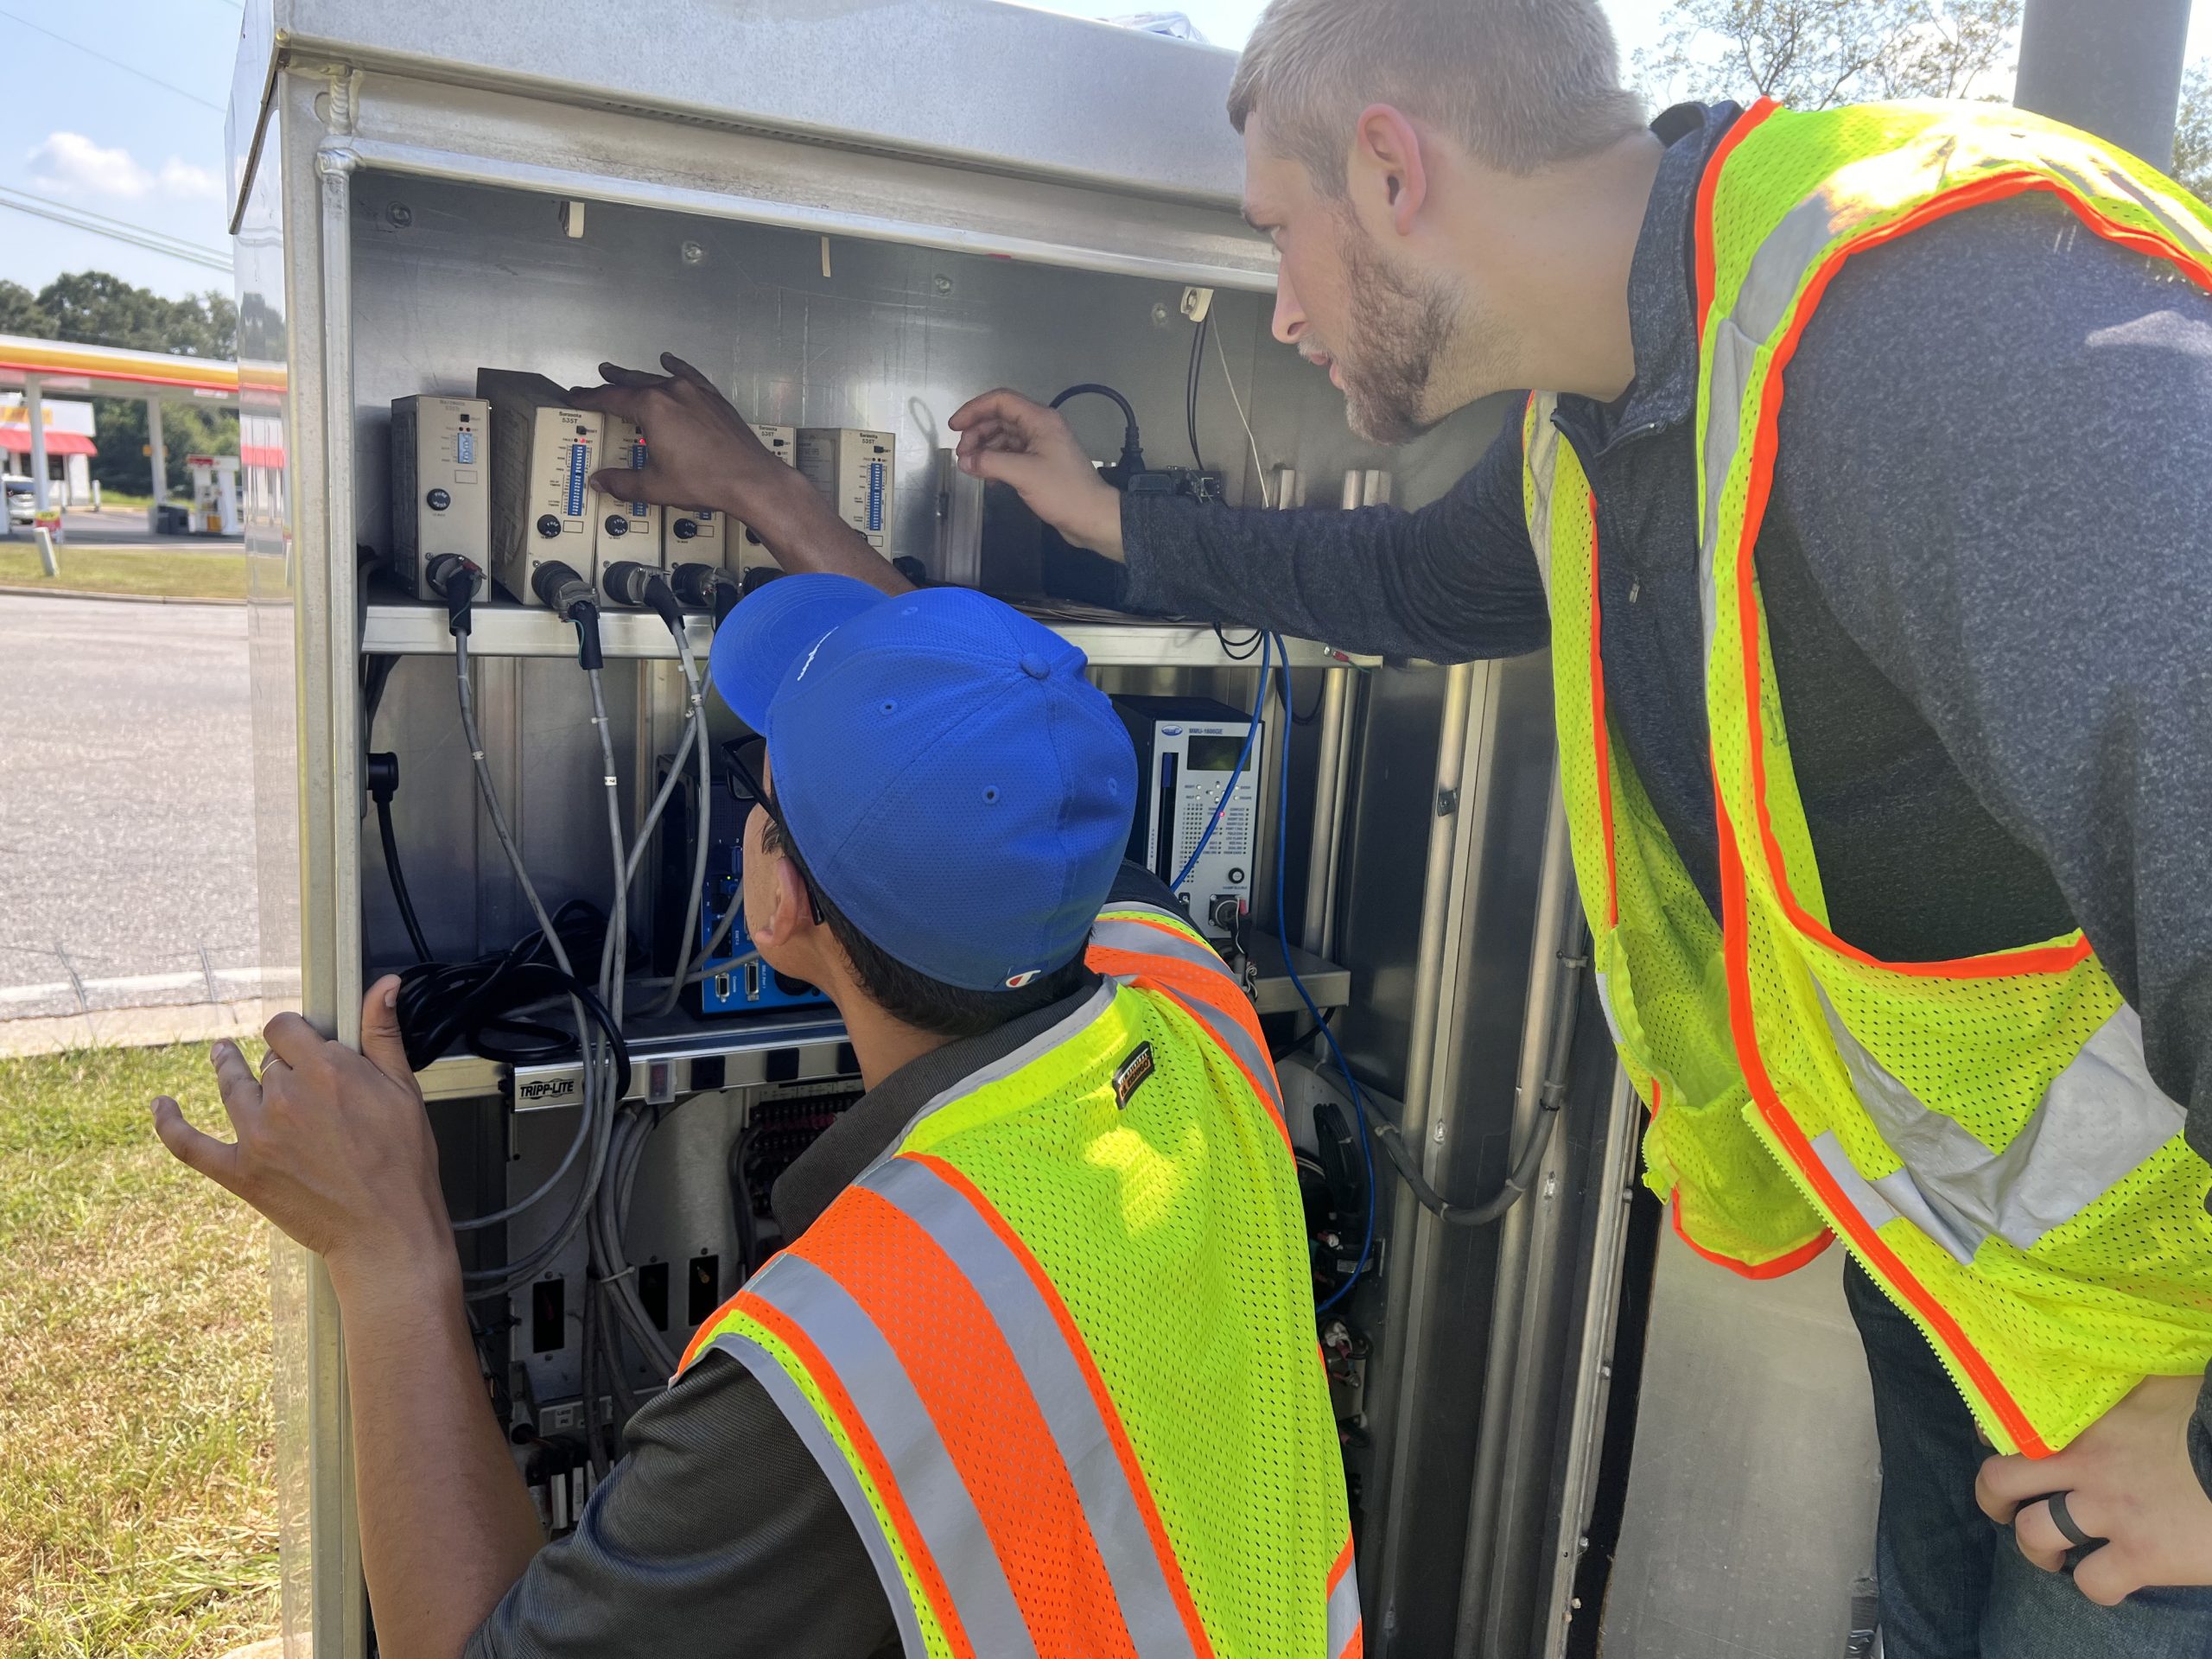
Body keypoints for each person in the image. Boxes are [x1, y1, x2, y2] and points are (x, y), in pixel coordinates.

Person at [582, 1, 2212, 1654]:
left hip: (2164, 1381)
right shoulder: (1620, 413)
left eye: (1279, 236)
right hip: (1979, 1305)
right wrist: (1099, 515)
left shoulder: (1935, 340)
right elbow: (1401, 586)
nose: (1279, 310)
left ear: (1389, 167)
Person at [153, 575, 1357, 1657]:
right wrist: (759, 488)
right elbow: (1008, 751)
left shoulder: (844, 1363)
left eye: (759, 788)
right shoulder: (1193, 1002)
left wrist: (387, 1254)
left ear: (774, 901)